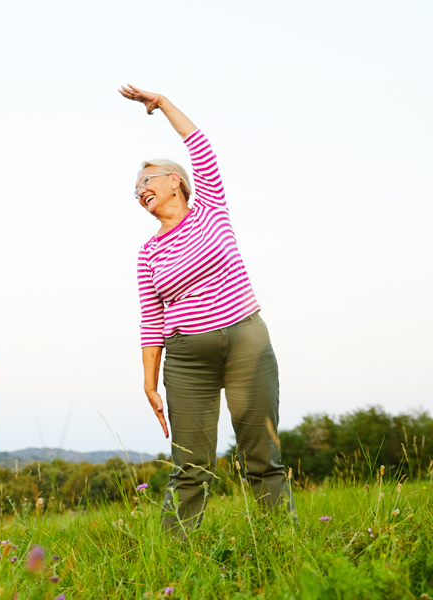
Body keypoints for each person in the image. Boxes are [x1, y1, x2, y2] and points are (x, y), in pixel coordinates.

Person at [119, 84, 294, 534]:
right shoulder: (148, 253)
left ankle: (284, 544)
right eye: (135, 190)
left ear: (175, 181)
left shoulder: (210, 208)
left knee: (263, 456)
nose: (140, 191)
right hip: (187, 359)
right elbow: (151, 320)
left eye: (146, 181)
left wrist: (162, 104)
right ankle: (175, 556)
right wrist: (149, 382)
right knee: (190, 465)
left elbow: (199, 143)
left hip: (245, 342)